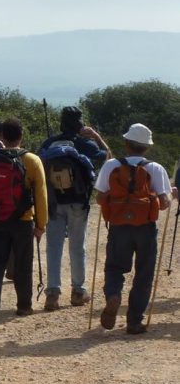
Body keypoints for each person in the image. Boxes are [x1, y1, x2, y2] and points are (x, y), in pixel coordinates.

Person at [95, 123, 173, 334]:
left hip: (119, 226)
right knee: (144, 273)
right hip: (146, 228)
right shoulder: (155, 168)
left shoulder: (111, 165)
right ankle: (134, 322)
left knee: (114, 267)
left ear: (126, 143)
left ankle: (113, 295)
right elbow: (165, 203)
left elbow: (100, 197)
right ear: (146, 147)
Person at [37, 106, 110, 310]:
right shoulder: (84, 143)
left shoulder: (50, 143)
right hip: (78, 201)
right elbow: (108, 157)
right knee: (77, 247)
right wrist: (96, 135)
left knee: (53, 247)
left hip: (53, 202)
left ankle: (52, 294)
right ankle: (78, 291)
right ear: (79, 124)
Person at [0, 118, 48, 321]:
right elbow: (41, 195)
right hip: (23, 220)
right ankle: (24, 305)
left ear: (1, 136)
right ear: (21, 136)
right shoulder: (32, 160)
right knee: (23, 263)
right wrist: (41, 225)